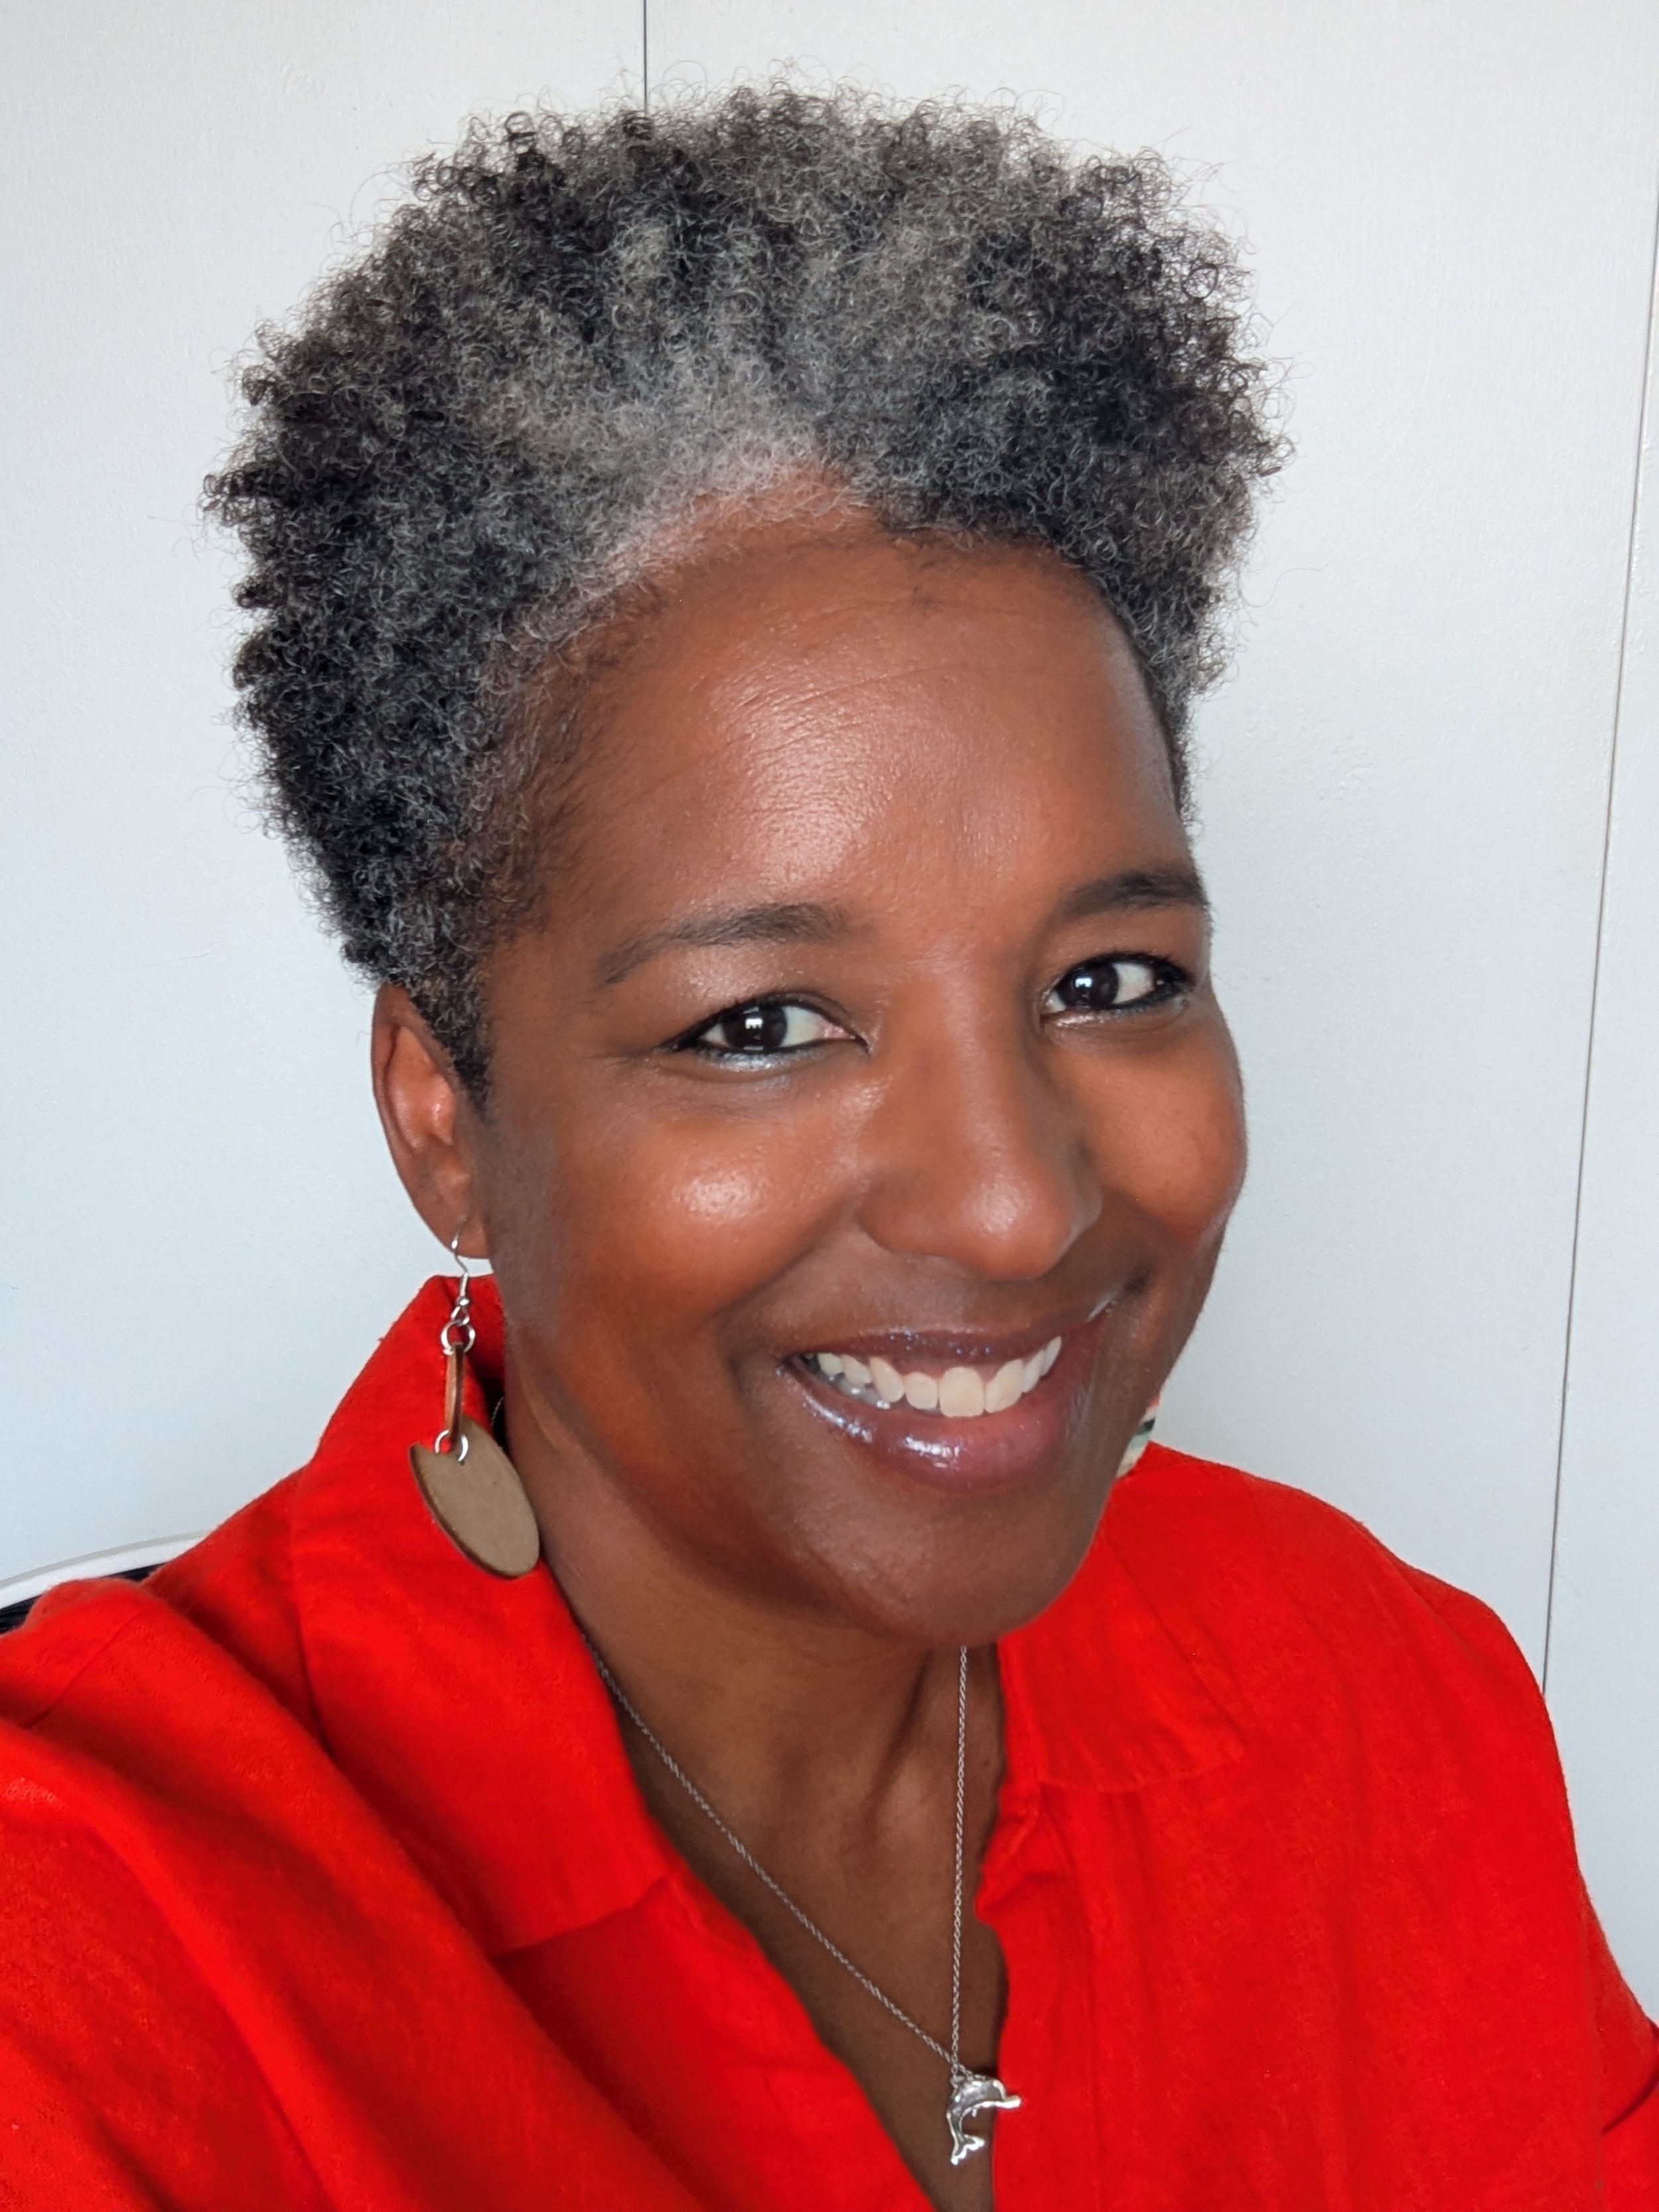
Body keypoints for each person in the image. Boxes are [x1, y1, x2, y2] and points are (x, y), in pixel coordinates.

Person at [0, 84, 1652, 2212]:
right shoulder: (98, 1955)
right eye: (760, 1024)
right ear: (445, 1122)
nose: (1014, 1200)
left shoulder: (1371, 1695)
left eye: (1111, 978)